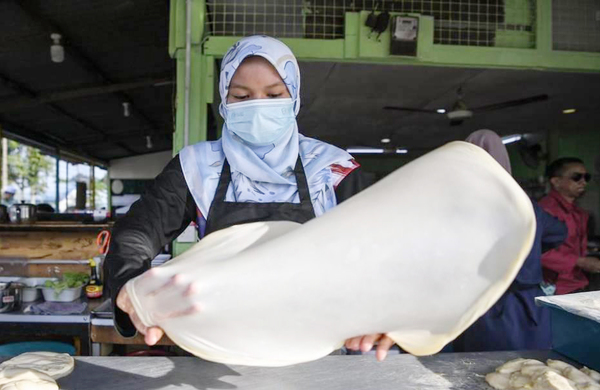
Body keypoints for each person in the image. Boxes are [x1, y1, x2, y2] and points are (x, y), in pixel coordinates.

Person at [104, 36, 395, 361]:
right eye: (242, 96)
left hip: (314, 347)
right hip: (220, 345)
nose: (258, 106)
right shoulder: (198, 167)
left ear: (294, 96)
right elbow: (137, 233)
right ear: (225, 101)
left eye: (273, 95)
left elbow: (381, 247)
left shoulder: (329, 167)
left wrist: (387, 306)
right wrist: (130, 285)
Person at [452, 130, 567, 352]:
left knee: (481, 373)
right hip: (529, 306)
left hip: (481, 305)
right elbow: (559, 232)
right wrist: (530, 248)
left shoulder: (458, 208)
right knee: (532, 372)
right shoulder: (525, 204)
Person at [540, 157, 600, 294]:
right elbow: (536, 251)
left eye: (586, 177)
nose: (583, 182)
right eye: (576, 177)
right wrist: (580, 261)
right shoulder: (546, 212)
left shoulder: (577, 212)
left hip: (575, 283)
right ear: (556, 182)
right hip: (554, 287)